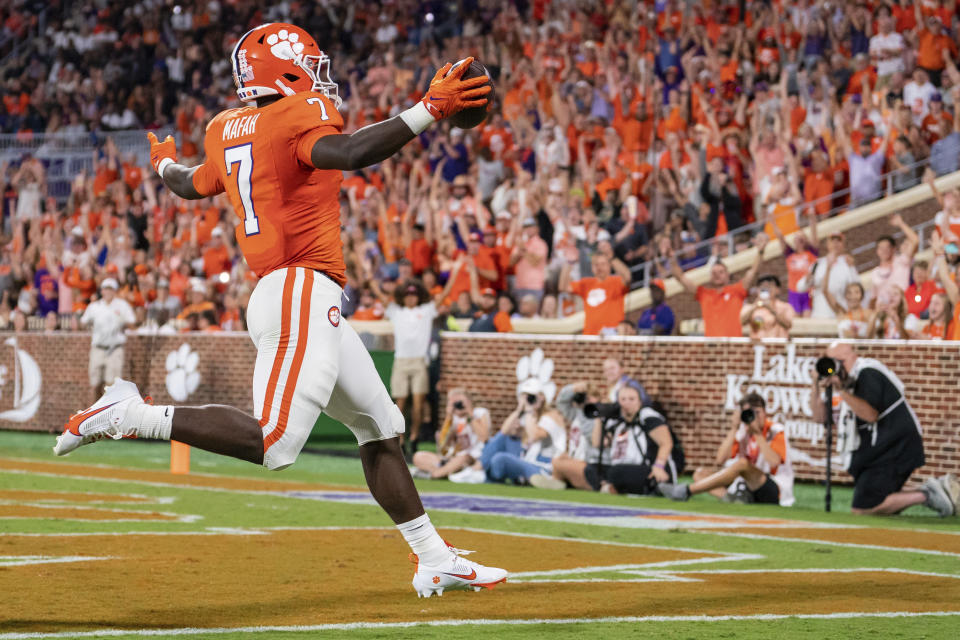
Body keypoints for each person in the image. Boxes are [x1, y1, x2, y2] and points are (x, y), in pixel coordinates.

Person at [54, 24, 505, 597]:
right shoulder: (295, 117)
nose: (320, 74)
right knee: (276, 443)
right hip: (298, 290)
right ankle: (129, 414)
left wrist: (163, 165)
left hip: (298, 296)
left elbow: (190, 185)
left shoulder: (225, 127)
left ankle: (434, 557)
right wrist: (427, 110)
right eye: (310, 63)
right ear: (284, 70)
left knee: (381, 429)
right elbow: (348, 153)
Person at [811, 342, 958, 516]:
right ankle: (933, 491)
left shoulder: (868, 372)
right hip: (878, 451)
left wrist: (841, 390)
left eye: (836, 361)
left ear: (850, 357)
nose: (833, 367)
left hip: (896, 445)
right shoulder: (845, 383)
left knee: (863, 508)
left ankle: (927, 495)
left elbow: (870, 414)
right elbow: (820, 417)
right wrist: (815, 386)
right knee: (870, 503)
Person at [659, 393, 794, 506]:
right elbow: (720, 460)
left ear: (765, 412)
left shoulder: (776, 430)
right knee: (700, 474)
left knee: (742, 464)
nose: (754, 417)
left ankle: (686, 491)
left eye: (757, 413)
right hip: (746, 485)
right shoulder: (742, 431)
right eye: (749, 413)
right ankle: (734, 500)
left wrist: (758, 435)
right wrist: (734, 428)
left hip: (774, 488)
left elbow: (774, 462)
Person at [665, 234, 768, 337]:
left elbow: (753, 272)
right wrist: (671, 259)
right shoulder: (704, 294)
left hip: (733, 345)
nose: (717, 275)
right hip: (712, 346)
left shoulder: (736, 290)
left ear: (728, 275)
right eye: (714, 272)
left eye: (721, 272)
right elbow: (681, 278)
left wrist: (761, 252)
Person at [480, 378, 567, 485]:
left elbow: (534, 436)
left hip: (544, 466)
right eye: (526, 397)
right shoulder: (528, 416)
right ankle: (482, 469)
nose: (529, 400)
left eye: (532, 396)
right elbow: (504, 431)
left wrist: (530, 410)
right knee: (503, 439)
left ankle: (483, 471)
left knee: (500, 459)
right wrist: (519, 409)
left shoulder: (552, 415)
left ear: (542, 397)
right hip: (527, 460)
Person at [530, 380, 603, 490]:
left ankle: (559, 481)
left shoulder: (597, 417)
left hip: (589, 465)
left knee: (556, 463)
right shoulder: (577, 414)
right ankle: (561, 481)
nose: (585, 402)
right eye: (584, 398)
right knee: (559, 459)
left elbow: (593, 443)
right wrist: (572, 389)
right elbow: (561, 402)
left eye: (589, 398)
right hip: (577, 461)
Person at [79, 278, 136, 404]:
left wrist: (122, 323)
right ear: (102, 291)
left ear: (115, 291)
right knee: (94, 384)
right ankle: (92, 413)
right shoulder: (95, 306)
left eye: (110, 289)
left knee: (112, 385)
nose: (108, 292)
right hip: (98, 347)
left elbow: (132, 322)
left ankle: (108, 415)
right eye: (106, 289)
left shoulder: (122, 305)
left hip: (115, 348)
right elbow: (82, 322)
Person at [412, 388, 489, 480]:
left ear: (469, 401)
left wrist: (469, 414)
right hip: (452, 459)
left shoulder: (480, 413)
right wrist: (449, 417)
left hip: (472, 458)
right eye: (454, 403)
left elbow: (484, 437)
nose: (458, 406)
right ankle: (449, 472)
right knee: (418, 456)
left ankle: (435, 474)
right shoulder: (454, 418)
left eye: (460, 402)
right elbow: (442, 446)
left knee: (463, 458)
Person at [558, 251, 630, 335]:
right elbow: (563, 287)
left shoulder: (616, 281)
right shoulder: (587, 283)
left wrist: (612, 258)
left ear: (609, 265)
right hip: (590, 335)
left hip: (613, 335)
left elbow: (628, 277)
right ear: (592, 267)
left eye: (603, 264)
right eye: (596, 264)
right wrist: (569, 263)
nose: (599, 268)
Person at [871, 214, 919, 300]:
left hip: (905, 303)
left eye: (887, 247)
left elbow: (915, 240)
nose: (884, 250)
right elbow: (874, 298)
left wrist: (901, 224)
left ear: (893, 249)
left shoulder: (902, 261)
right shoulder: (875, 273)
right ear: (877, 251)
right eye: (881, 248)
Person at [740, 274, 795, 339]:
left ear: (778, 290)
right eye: (762, 286)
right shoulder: (750, 307)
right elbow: (742, 322)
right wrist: (754, 307)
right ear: (757, 289)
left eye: (770, 286)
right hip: (757, 345)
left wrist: (771, 308)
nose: (766, 289)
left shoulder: (785, 307)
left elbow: (788, 325)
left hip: (777, 346)